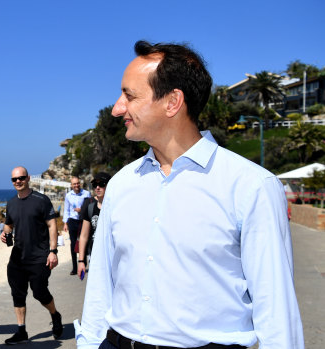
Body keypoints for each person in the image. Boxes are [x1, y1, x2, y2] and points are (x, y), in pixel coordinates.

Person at [77, 41, 304, 349]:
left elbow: (276, 309)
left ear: (172, 102)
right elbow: (102, 283)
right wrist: (89, 343)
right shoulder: (121, 184)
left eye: (129, 95)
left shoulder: (251, 186)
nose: (118, 108)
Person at [0, 166, 63, 344]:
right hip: (18, 257)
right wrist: (5, 233)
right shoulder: (11, 203)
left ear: (28, 178)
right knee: (17, 294)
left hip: (39, 256)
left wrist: (53, 252)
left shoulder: (41, 200)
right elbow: (8, 225)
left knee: (39, 292)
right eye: (14, 179)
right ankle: (21, 331)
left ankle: (55, 315)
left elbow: (52, 226)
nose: (18, 181)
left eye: (21, 178)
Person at [76, 172, 110, 279]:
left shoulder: (115, 208)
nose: (98, 188)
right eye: (95, 185)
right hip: (95, 257)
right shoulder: (90, 208)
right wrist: (81, 261)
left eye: (102, 184)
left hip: (112, 257)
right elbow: (84, 236)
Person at [62, 176, 91, 275]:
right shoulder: (68, 196)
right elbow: (66, 210)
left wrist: (81, 210)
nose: (76, 185)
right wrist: (65, 223)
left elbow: (90, 207)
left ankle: (84, 262)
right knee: (73, 244)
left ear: (80, 183)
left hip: (83, 221)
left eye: (78, 183)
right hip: (72, 221)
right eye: (74, 184)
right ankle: (74, 268)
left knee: (84, 242)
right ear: (71, 185)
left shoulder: (86, 194)